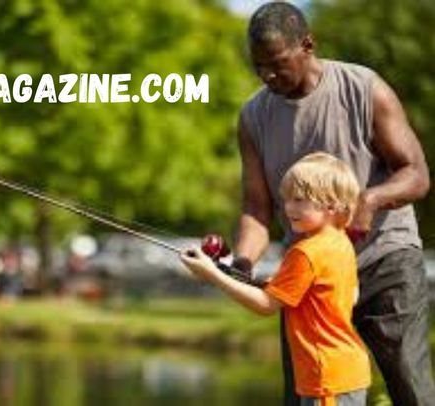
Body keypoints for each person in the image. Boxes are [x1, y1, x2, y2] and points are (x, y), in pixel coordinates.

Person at [222, 2, 434, 405]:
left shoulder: (364, 88)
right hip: (309, 273)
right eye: (258, 66)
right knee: (306, 393)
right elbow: (257, 208)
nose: (267, 75)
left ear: (307, 45)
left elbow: (416, 173)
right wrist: (243, 263)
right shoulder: (253, 116)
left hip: (384, 259)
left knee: (411, 387)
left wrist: (370, 199)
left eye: (277, 63)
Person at [182, 152, 371, 405]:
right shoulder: (340, 241)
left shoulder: (306, 251)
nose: (289, 208)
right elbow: (350, 292)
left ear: (331, 205)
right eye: (286, 200)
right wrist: (286, 284)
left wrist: (214, 275)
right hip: (345, 371)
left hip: (327, 379)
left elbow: (265, 305)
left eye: (299, 199)